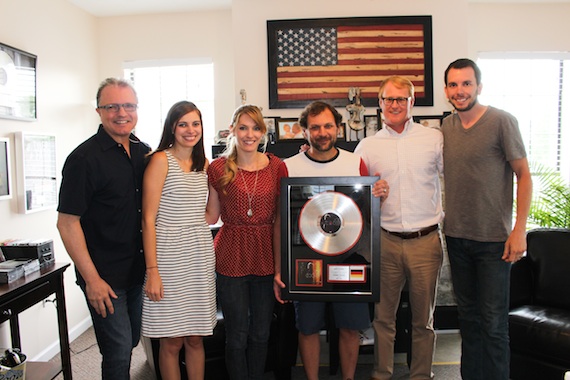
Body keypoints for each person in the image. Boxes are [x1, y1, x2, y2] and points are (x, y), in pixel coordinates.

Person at [274, 100, 388, 380]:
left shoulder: (355, 162)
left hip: (349, 257)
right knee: (308, 328)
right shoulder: (288, 167)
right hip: (305, 259)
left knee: (350, 327)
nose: (322, 132)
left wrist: (380, 197)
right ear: (304, 132)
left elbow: (366, 215)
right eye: (315, 127)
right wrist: (280, 268)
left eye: (327, 125)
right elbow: (280, 221)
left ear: (337, 127)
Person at [442, 58, 532, 380]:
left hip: (494, 240)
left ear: (479, 86)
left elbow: (524, 175)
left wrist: (519, 230)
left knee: (494, 323)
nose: (460, 90)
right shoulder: (447, 128)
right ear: (446, 90)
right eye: (454, 84)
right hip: (456, 238)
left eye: (466, 83)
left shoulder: (502, 122)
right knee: (468, 320)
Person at [57, 78, 151, 379]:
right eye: (112, 106)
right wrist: (91, 280)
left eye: (128, 106)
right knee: (118, 350)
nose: (121, 112)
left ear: (137, 110)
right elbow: (67, 223)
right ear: (99, 111)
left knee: (132, 340)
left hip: (138, 271)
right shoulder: (83, 159)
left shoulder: (144, 152)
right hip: (104, 277)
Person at [355, 76, 444, 380]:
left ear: (411, 102)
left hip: (426, 241)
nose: (394, 105)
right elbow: (353, 196)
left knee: (423, 320)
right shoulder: (367, 146)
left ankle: (421, 375)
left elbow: (456, 176)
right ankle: (382, 374)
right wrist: (370, 192)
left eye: (400, 99)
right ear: (379, 103)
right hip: (386, 241)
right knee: (383, 319)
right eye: (388, 99)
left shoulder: (434, 139)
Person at [207, 104, 284, 380]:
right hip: (230, 256)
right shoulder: (217, 167)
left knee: (261, 333)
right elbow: (211, 215)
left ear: (263, 132)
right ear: (233, 131)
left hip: (265, 255)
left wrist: (279, 269)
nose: (249, 134)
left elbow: (280, 221)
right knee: (237, 334)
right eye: (243, 127)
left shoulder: (277, 166)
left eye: (255, 128)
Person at [141, 101, 216, 379]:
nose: (190, 130)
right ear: (172, 127)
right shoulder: (161, 160)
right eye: (183, 124)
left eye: (195, 123)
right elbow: (148, 219)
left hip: (198, 253)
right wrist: (153, 272)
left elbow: (209, 215)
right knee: (171, 340)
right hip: (168, 255)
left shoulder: (204, 164)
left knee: (196, 337)